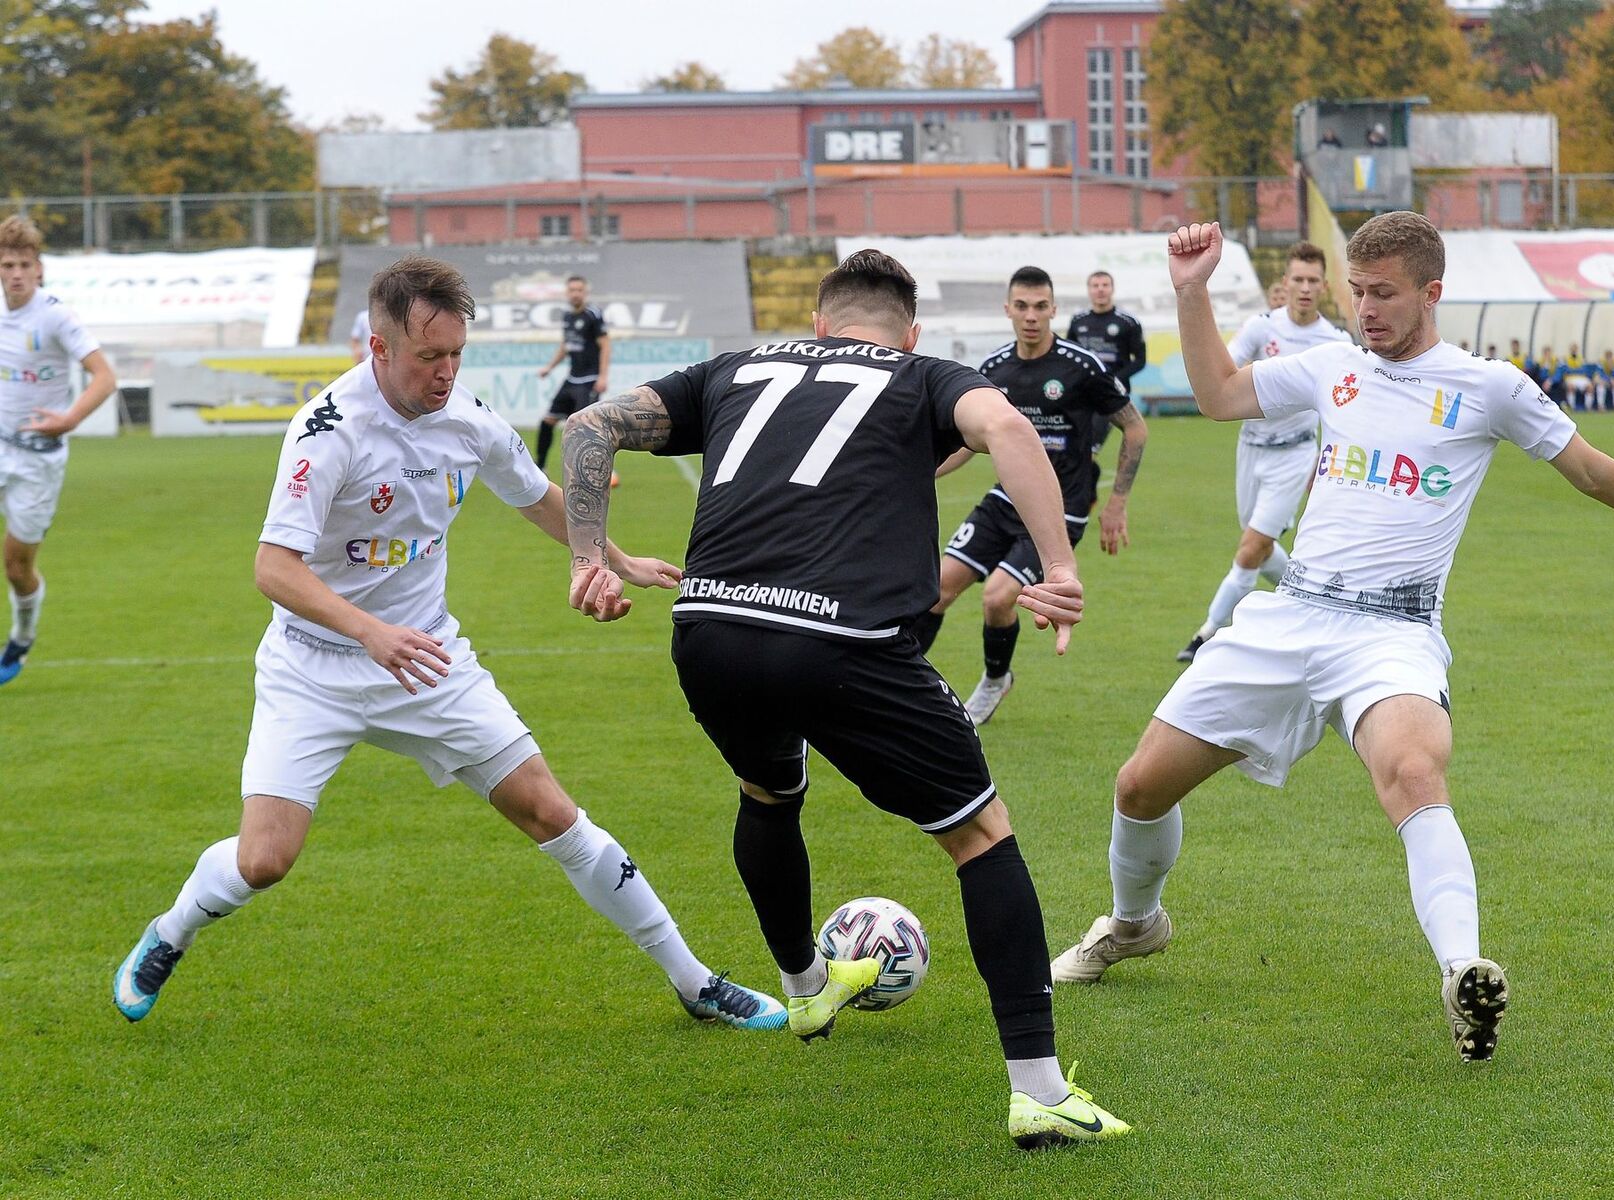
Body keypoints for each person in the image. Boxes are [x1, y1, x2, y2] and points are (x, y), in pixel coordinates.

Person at [1050, 215, 1614, 1065]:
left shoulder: (1488, 385)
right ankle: (1134, 926)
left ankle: (1465, 973)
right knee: (1139, 787)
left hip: (1391, 632)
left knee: (1415, 772)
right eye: (1358, 290)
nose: (1364, 309)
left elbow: (1591, 468)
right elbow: (1217, 397)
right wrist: (1191, 290)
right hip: (1289, 616)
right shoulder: (1331, 368)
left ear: (1431, 292)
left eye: (1382, 293)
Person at [113, 256, 784, 1033]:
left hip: (428, 661)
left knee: (552, 812)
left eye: (456, 354)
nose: (445, 372)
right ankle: (171, 932)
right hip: (314, 667)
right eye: (428, 357)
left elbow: (533, 495)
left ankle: (695, 982)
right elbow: (273, 567)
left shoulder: (467, 418)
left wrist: (613, 555)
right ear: (379, 348)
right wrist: (370, 632)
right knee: (265, 860)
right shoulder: (326, 431)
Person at [559, 249, 1132, 1149]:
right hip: (843, 645)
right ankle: (1041, 1092)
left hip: (709, 631)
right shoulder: (924, 374)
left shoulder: (738, 367)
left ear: (819, 325)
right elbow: (1010, 430)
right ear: (910, 334)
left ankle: (803, 991)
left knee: (767, 791)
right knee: (980, 834)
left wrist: (589, 558)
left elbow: (588, 427)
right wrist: (1058, 568)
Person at [916, 266, 1146, 726]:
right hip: (1004, 500)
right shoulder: (994, 370)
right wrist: (919, 474)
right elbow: (966, 442)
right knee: (933, 591)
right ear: (1008, 310)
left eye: (1041, 307)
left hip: (1060, 511)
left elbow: (1134, 429)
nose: (1031, 316)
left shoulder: (1081, 367)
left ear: (1054, 310)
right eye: (1021, 306)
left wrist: (1116, 502)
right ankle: (894, 693)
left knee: (998, 598)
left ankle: (995, 679)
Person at [1178, 241, 1350, 662]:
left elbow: (1344, 409)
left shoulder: (1336, 342)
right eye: (1298, 279)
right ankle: (1312, 598)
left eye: (1313, 281)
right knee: (1263, 548)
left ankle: (1207, 633)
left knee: (1250, 548)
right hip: (1251, 448)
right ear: (1285, 284)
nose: (1305, 288)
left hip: (1295, 456)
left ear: (1324, 286)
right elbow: (1225, 372)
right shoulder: (1261, 327)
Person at [0, 215, 117, 687]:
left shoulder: (55, 316)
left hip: (37, 459)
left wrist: (68, 420)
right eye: (7, 264)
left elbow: (105, 377)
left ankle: (22, 637)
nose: (16, 273)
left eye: (24, 264)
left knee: (17, 566)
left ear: (40, 269)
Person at [1067, 270, 1147, 494]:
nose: (1100, 289)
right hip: (1081, 396)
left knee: (1089, 448)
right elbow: (1070, 356)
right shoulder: (1078, 321)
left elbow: (1140, 360)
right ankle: (1078, 493)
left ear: (1112, 289)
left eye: (1104, 285)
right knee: (1073, 446)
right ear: (1089, 290)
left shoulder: (1127, 323)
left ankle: (1077, 496)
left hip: (1110, 398)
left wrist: (1113, 380)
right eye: (1095, 285)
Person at [534, 275, 611, 470]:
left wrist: (602, 376)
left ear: (585, 292)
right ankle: (540, 467)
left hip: (589, 380)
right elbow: (566, 346)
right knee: (547, 421)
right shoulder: (568, 316)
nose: (576, 294)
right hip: (572, 379)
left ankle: (594, 466)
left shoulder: (593, 315)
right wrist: (549, 368)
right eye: (572, 290)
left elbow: (606, 346)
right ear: (567, 293)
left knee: (584, 427)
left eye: (579, 290)